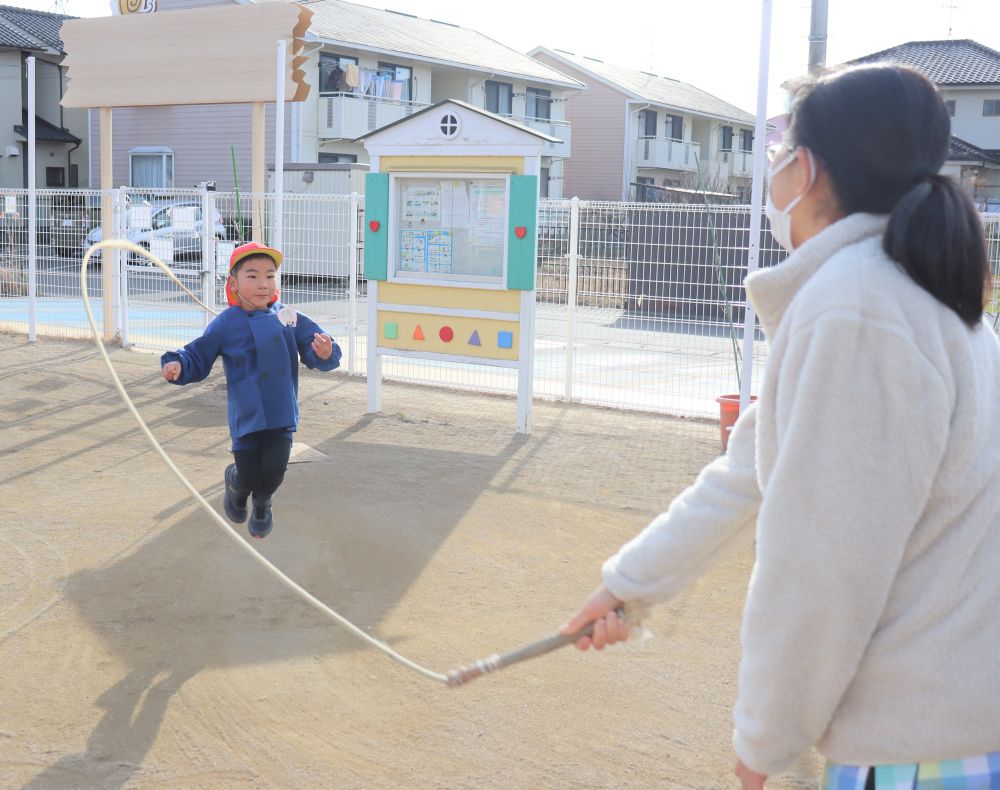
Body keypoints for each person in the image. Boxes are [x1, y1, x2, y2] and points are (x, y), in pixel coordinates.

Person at [561, 64, 1000, 789]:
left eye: (779, 150)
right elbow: (747, 471)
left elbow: (822, 566)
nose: (774, 167)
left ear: (811, 169)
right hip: (952, 733)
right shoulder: (916, 298)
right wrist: (628, 586)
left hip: (917, 751)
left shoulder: (855, 311)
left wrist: (765, 739)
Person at [161, 242, 342, 539]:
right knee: (248, 473)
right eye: (253, 276)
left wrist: (325, 352)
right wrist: (178, 364)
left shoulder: (288, 316)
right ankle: (236, 483)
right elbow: (198, 354)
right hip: (246, 414)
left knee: (273, 472)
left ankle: (262, 503)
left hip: (281, 411)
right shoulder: (226, 324)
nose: (263, 284)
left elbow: (317, 345)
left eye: (270, 276)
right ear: (233, 283)